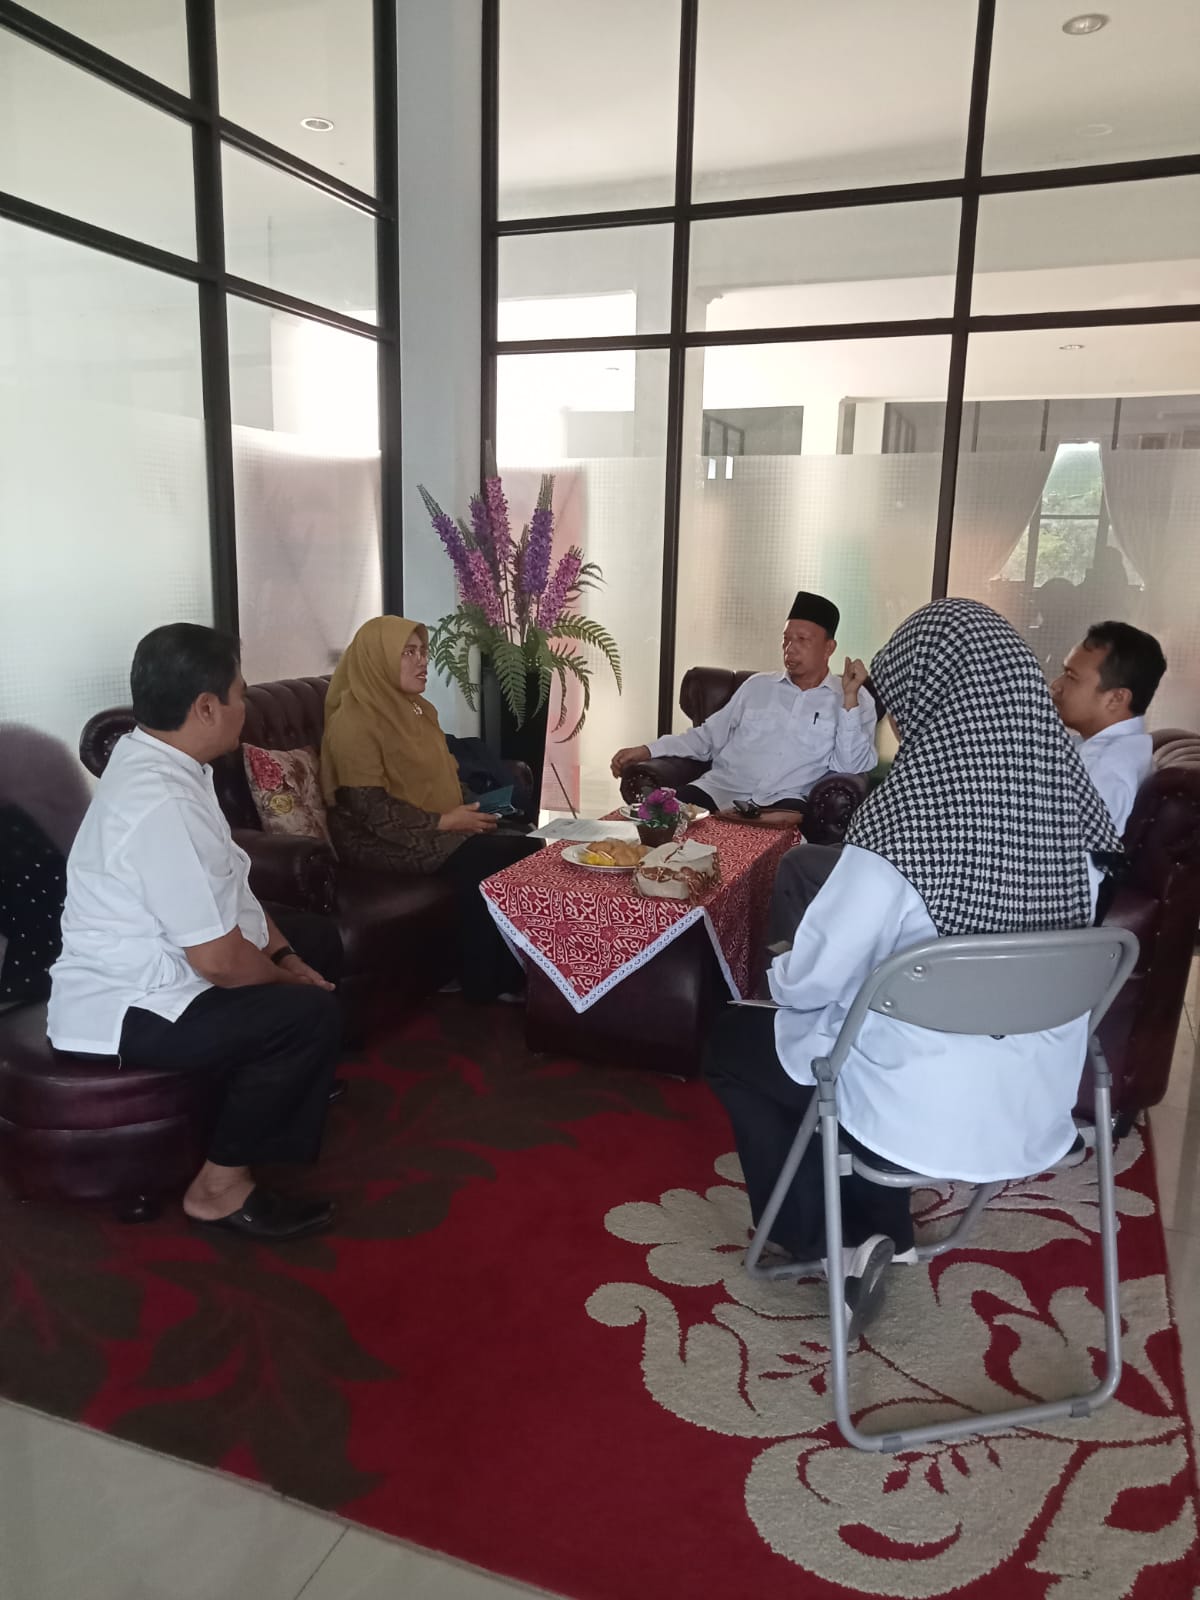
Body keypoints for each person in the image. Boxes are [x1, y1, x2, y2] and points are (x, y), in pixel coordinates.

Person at [705, 599, 1121, 1339]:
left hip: (912, 1107)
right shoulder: (1077, 816)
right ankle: (883, 1227)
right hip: (1034, 1104)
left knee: (738, 1042)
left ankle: (825, 1244)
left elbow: (813, 981)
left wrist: (784, 966)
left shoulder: (906, 821)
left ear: (932, 702)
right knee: (858, 1032)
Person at [48, 624, 343, 1241]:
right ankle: (219, 1188)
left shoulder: (170, 763)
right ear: (205, 707)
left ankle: (287, 1085)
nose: (245, 708)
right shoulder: (161, 801)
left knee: (315, 940)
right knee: (305, 1015)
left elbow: (233, 891)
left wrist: (285, 955)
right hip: (126, 1005)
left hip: (174, 967)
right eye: (240, 694)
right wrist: (287, 985)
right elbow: (219, 961)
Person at [320, 616, 541, 1003]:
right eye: (408, 652)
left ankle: (525, 971)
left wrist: (474, 807)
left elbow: (444, 776)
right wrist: (445, 821)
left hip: (428, 820)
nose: (423, 661)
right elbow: (369, 808)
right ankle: (484, 982)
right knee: (493, 856)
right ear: (378, 659)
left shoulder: (419, 710)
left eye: (423, 651)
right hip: (374, 838)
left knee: (528, 842)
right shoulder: (353, 721)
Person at [610, 591, 878, 825]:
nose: (790, 648)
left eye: (802, 640)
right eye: (786, 639)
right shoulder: (757, 686)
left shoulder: (854, 698)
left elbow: (849, 765)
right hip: (721, 789)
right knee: (652, 817)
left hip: (783, 803)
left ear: (829, 648)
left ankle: (741, 824)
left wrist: (849, 698)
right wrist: (647, 750)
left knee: (784, 823)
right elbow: (706, 738)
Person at [1050, 619, 1166, 835]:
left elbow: (1072, 855)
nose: (1056, 685)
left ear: (1116, 698)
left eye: (1071, 677)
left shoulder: (1107, 771)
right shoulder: (1103, 749)